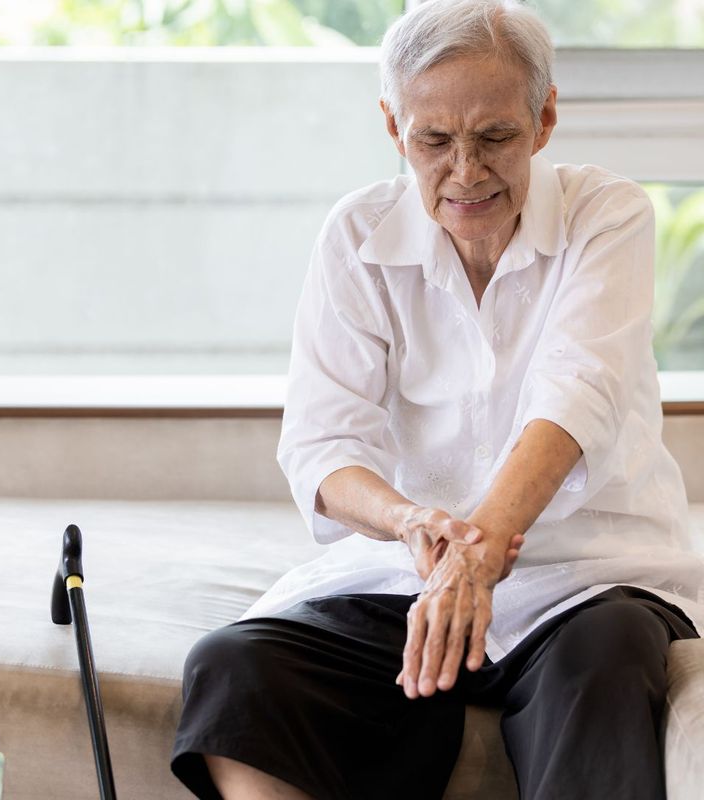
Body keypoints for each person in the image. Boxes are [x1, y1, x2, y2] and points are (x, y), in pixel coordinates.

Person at [171, 1, 704, 798]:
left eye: (495, 137)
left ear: (545, 117)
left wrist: (483, 553)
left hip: (586, 580)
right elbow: (322, 448)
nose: (466, 170)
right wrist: (410, 522)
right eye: (434, 141)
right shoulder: (357, 236)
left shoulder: (608, 213)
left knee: (611, 654)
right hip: (408, 582)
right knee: (230, 666)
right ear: (394, 127)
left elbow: (575, 398)